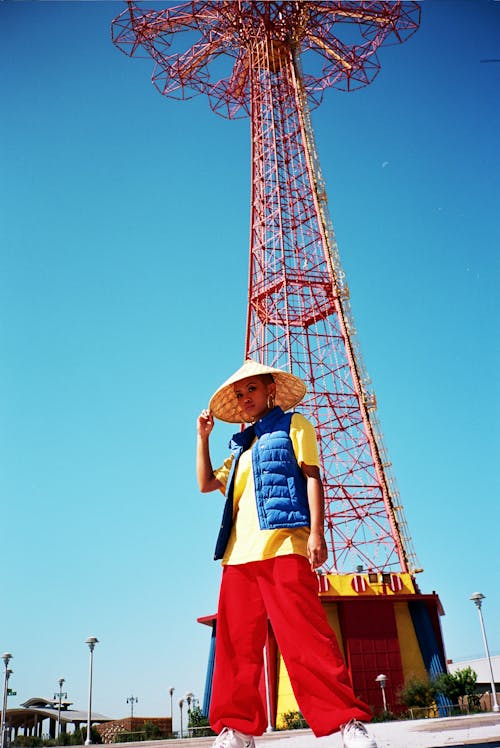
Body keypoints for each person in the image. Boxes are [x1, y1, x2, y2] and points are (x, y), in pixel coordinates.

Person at [196, 359, 378, 748]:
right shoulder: (241, 449)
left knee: (308, 639)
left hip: (284, 546)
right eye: (240, 394)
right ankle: (238, 729)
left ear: (270, 391)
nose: (245, 398)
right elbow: (206, 483)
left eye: (252, 390)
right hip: (237, 558)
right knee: (236, 647)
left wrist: (317, 533)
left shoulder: (295, 426)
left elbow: (312, 477)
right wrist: (203, 437)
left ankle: (347, 722)